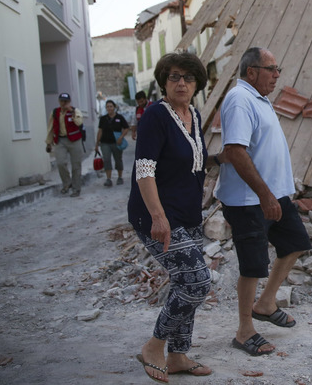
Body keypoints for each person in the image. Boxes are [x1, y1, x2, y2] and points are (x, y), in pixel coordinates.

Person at [128, 52, 222, 382]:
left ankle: (179, 355)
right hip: (158, 216)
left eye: (188, 78)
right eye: (174, 77)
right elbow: (145, 169)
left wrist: (218, 159)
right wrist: (157, 216)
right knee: (197, 282)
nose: (181, 83)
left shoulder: (193, 114)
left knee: (184, 283)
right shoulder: (156, 115)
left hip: (187, 215)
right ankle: (154, 345)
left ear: (197, 84)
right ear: (164, 82)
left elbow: (189, 161)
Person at [216, 46, 312, 357]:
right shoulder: (240, 100)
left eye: (277, 69)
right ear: (252, 71)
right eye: (271, 69)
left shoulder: (259, 99)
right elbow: (235, 152)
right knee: (253, 264)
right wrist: (265, 195)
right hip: (249, 201)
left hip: (273, 197)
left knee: (296, 242)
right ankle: (245, 331)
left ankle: (266, 303)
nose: (277, 74)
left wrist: (276, 193)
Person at [45, 92, 84, 197]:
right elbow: (50, 128)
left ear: (69, 102)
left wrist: (71, 112)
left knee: (76, 165)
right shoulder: (54, 112)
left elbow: (79, 122)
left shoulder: (75, 111)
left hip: (75, 140)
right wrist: (48, 142)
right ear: (59, 101)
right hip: (60, 140)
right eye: (62, 101)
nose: (64, 103)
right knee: (60, 163)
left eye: (66, 101)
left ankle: (76, 188)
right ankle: (67, 183)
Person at [95, 99, 130, 187]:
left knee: (118, 159)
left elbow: (126, 128)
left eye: (111, 106)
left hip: (116, 143)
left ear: (114, 107)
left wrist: (121, 137)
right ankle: (108, 179)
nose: (109, 108)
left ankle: (120, 177)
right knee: (106, 160)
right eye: (107, 107)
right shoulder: (103, 119)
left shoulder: (119, 117)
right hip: (105, 143)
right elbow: (100, 131)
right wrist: (97, 143)